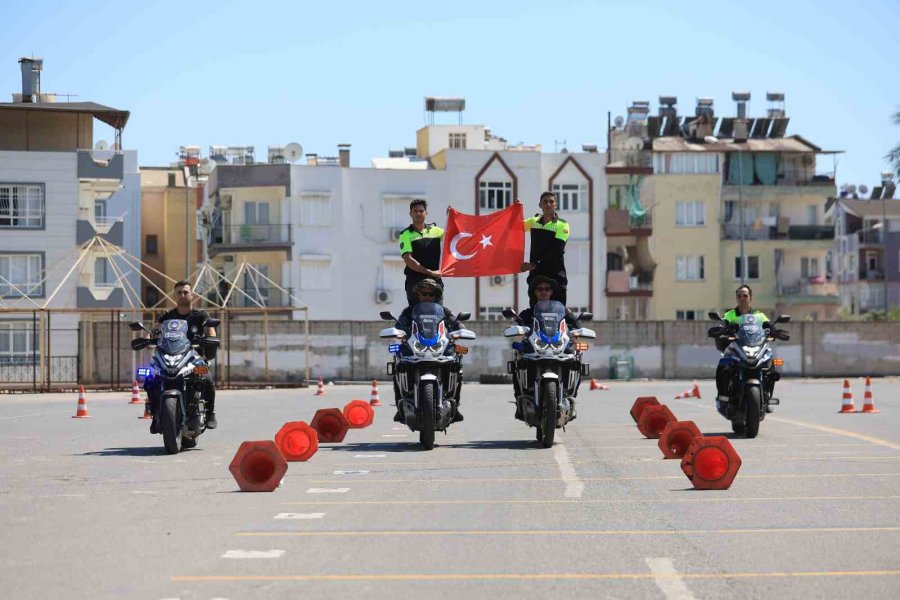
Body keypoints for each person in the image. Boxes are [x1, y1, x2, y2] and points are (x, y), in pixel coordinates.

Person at [392, 278, 464, 423]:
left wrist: (460, 329)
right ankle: (401, 406)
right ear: (418, 295)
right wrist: (397, 331)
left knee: (457, 367)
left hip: (439, 348)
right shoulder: (408, 311)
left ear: (436, 296)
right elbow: (398, 326)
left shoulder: (444, 311)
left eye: (431, 294)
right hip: (414, 348)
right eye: (424, 293)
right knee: (397, 364)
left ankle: (454, 407)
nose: (427, 297)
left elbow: (458, 324)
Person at [151, 281, 219, 430]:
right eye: (179, 292)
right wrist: (151, 337)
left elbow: (210, 330)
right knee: (151, 377)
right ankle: (155, 412)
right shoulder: (167, 316)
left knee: (207, 378)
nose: (182, 295)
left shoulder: (200, 314)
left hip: (194, 357)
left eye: (185, 292)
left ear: (192, 295)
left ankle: (209, 413)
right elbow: (156, 331)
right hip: (170, 356)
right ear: (174, 295)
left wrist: (211, 340)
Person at [512, 275, 581, 420]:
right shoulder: (528, 313)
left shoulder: (564, 311)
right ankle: (520, 402)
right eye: (540, 289)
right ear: (535, 292)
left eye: (547, 289)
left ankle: (571, 398)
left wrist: (578, 331)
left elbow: (577, 323)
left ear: (552, 292)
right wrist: (516, 330)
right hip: (535, 348)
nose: (544, 292)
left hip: (558, 346)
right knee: (517, 362)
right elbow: (516, 325)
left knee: (577, 359)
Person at [715, 284, 770, 406]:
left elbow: (768, 326)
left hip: (756, 346)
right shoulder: (730, 315)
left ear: (751, 298)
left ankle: (767, 395)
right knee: (722, 365)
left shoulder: (759, 316)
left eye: (745, 295)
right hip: (735, 348)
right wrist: (720, 331)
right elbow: (721, 326)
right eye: (739, 296)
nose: (742, 298)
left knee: (772, 363)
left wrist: (774, 330)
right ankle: (723, 396)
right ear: (736, 298)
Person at [518, 192, 570, 306]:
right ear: (540, 205)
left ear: (556, 205)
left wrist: (533, 264)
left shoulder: (562, 225)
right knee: (534, 313)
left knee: (559, 313)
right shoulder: (534, 221)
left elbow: (556, 250)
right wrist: (516, 210)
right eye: (545, 201)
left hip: (556, 275)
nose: (548, 204)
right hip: (536, 276)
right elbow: (514, 227)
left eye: (551, 201)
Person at [398, 199, 444, 306]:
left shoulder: (437, 231)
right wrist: (429, 272)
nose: (418, 213)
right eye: (415, 211)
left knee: (439, 314)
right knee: (413, 314)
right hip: (415, 282)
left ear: (426, 213)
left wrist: (451, 216)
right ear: (410, 213)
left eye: (421, 211)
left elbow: (454, 241)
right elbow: (408, 260)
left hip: (435, 281)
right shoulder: (405, 234)